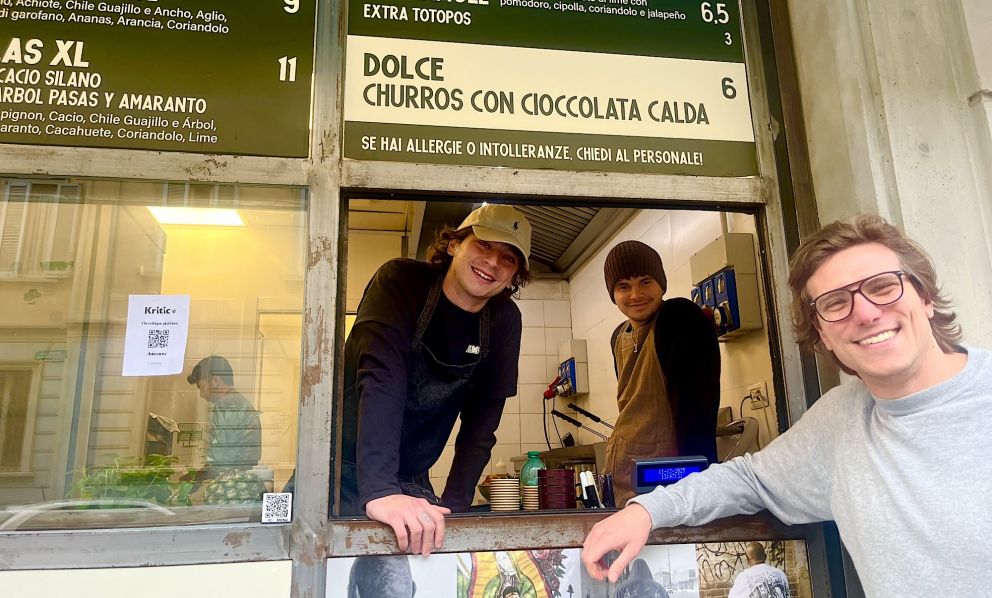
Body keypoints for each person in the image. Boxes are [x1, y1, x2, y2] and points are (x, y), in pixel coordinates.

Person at [582, 215, 992, 596]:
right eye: (835, 303)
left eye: (882, 286)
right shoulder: (842, 419)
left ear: (926, 297)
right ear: (822, 336)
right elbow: (751, 479)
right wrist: (648, 510)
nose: (865, 313)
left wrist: (686, 464)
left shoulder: (679, 320)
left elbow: (694, 409)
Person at [342, 203, 532, 556]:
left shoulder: (504, 320)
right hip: (337, 471)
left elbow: (482, 423)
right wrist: (381, 491)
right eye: (484, 245)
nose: (492, 262)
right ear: (453, 245)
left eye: (508, 258)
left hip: (411, 476)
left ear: (513, 276)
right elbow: (381, 380)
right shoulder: (401, 282)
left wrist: (456, 504)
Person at [602, 240, 721, 504]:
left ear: (661, 284)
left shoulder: (679, 318)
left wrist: (699, 491)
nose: (635, 294)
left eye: (645, 282)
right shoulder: (619, 336)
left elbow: (697, 408)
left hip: (665, 485)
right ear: (613, 294)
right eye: (623, 286)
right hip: (622, 477)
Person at [184, 355, 262, 484]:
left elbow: (229, 460)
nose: (202, 395)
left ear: (215, 381)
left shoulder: (226, 406)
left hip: (230, 481)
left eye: (201, 387)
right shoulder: (239, 403)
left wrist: (195, 477)